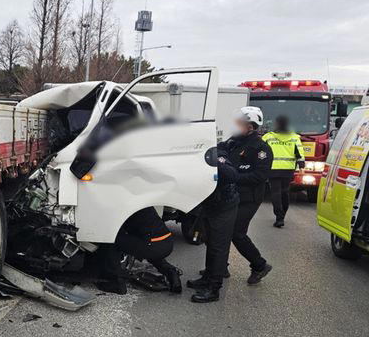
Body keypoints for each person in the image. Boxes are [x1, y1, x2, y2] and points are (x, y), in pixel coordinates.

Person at [223, 106, 274, 285]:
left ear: (250, 127)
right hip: (230, 195)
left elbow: (260, 176)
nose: (235, 126)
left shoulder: (261, 148)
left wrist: (235, 177)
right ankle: (220, 267)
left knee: (236, 232)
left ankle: (259, 265)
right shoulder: (234, 141)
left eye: (239, 123)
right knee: (221, 230)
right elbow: (220, 151)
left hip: (248, 198)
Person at [187, 146, 240, 303]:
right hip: (211, 204)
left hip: (225, 205)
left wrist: (213, 161)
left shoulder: (216, 152)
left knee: (218, 246)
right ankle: (208, 278)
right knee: (210, 242)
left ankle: (214, 289)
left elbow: (232, 175)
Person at [94, 207, 182, 295]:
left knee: (111, 240)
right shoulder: (141, 201)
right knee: (147, 247)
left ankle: (117, 282)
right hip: (166, 241)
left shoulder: (123, 204)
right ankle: (171, 273)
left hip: (153, 244)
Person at [263, 115, 305, 227]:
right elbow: (299, 153)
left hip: (273, 169)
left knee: (275, 192)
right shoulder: (294, 137)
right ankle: (283, 214)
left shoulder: (268, 137)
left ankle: (279, 216)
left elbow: (261, 152)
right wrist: (301, 165)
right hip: (288, 169)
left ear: (276, 123)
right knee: (285, 192)